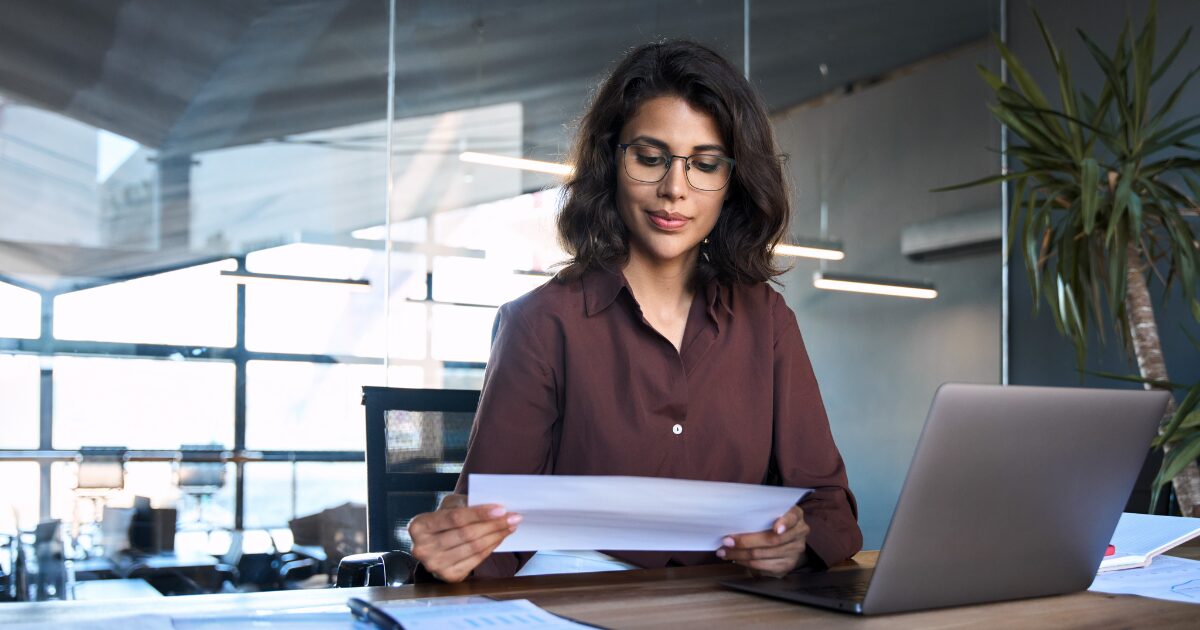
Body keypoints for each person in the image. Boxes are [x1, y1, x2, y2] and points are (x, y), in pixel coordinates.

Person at [407, 40, 862, 583]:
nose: (675, 189)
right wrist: (452, 549)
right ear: (611, 162)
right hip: (581, 600)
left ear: (731, 184)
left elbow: (830, 508)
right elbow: (488, 537)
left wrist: (796, 544)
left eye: (705, 164)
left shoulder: (767, 322)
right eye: (650, 158)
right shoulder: (541, 324)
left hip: (732, 607)